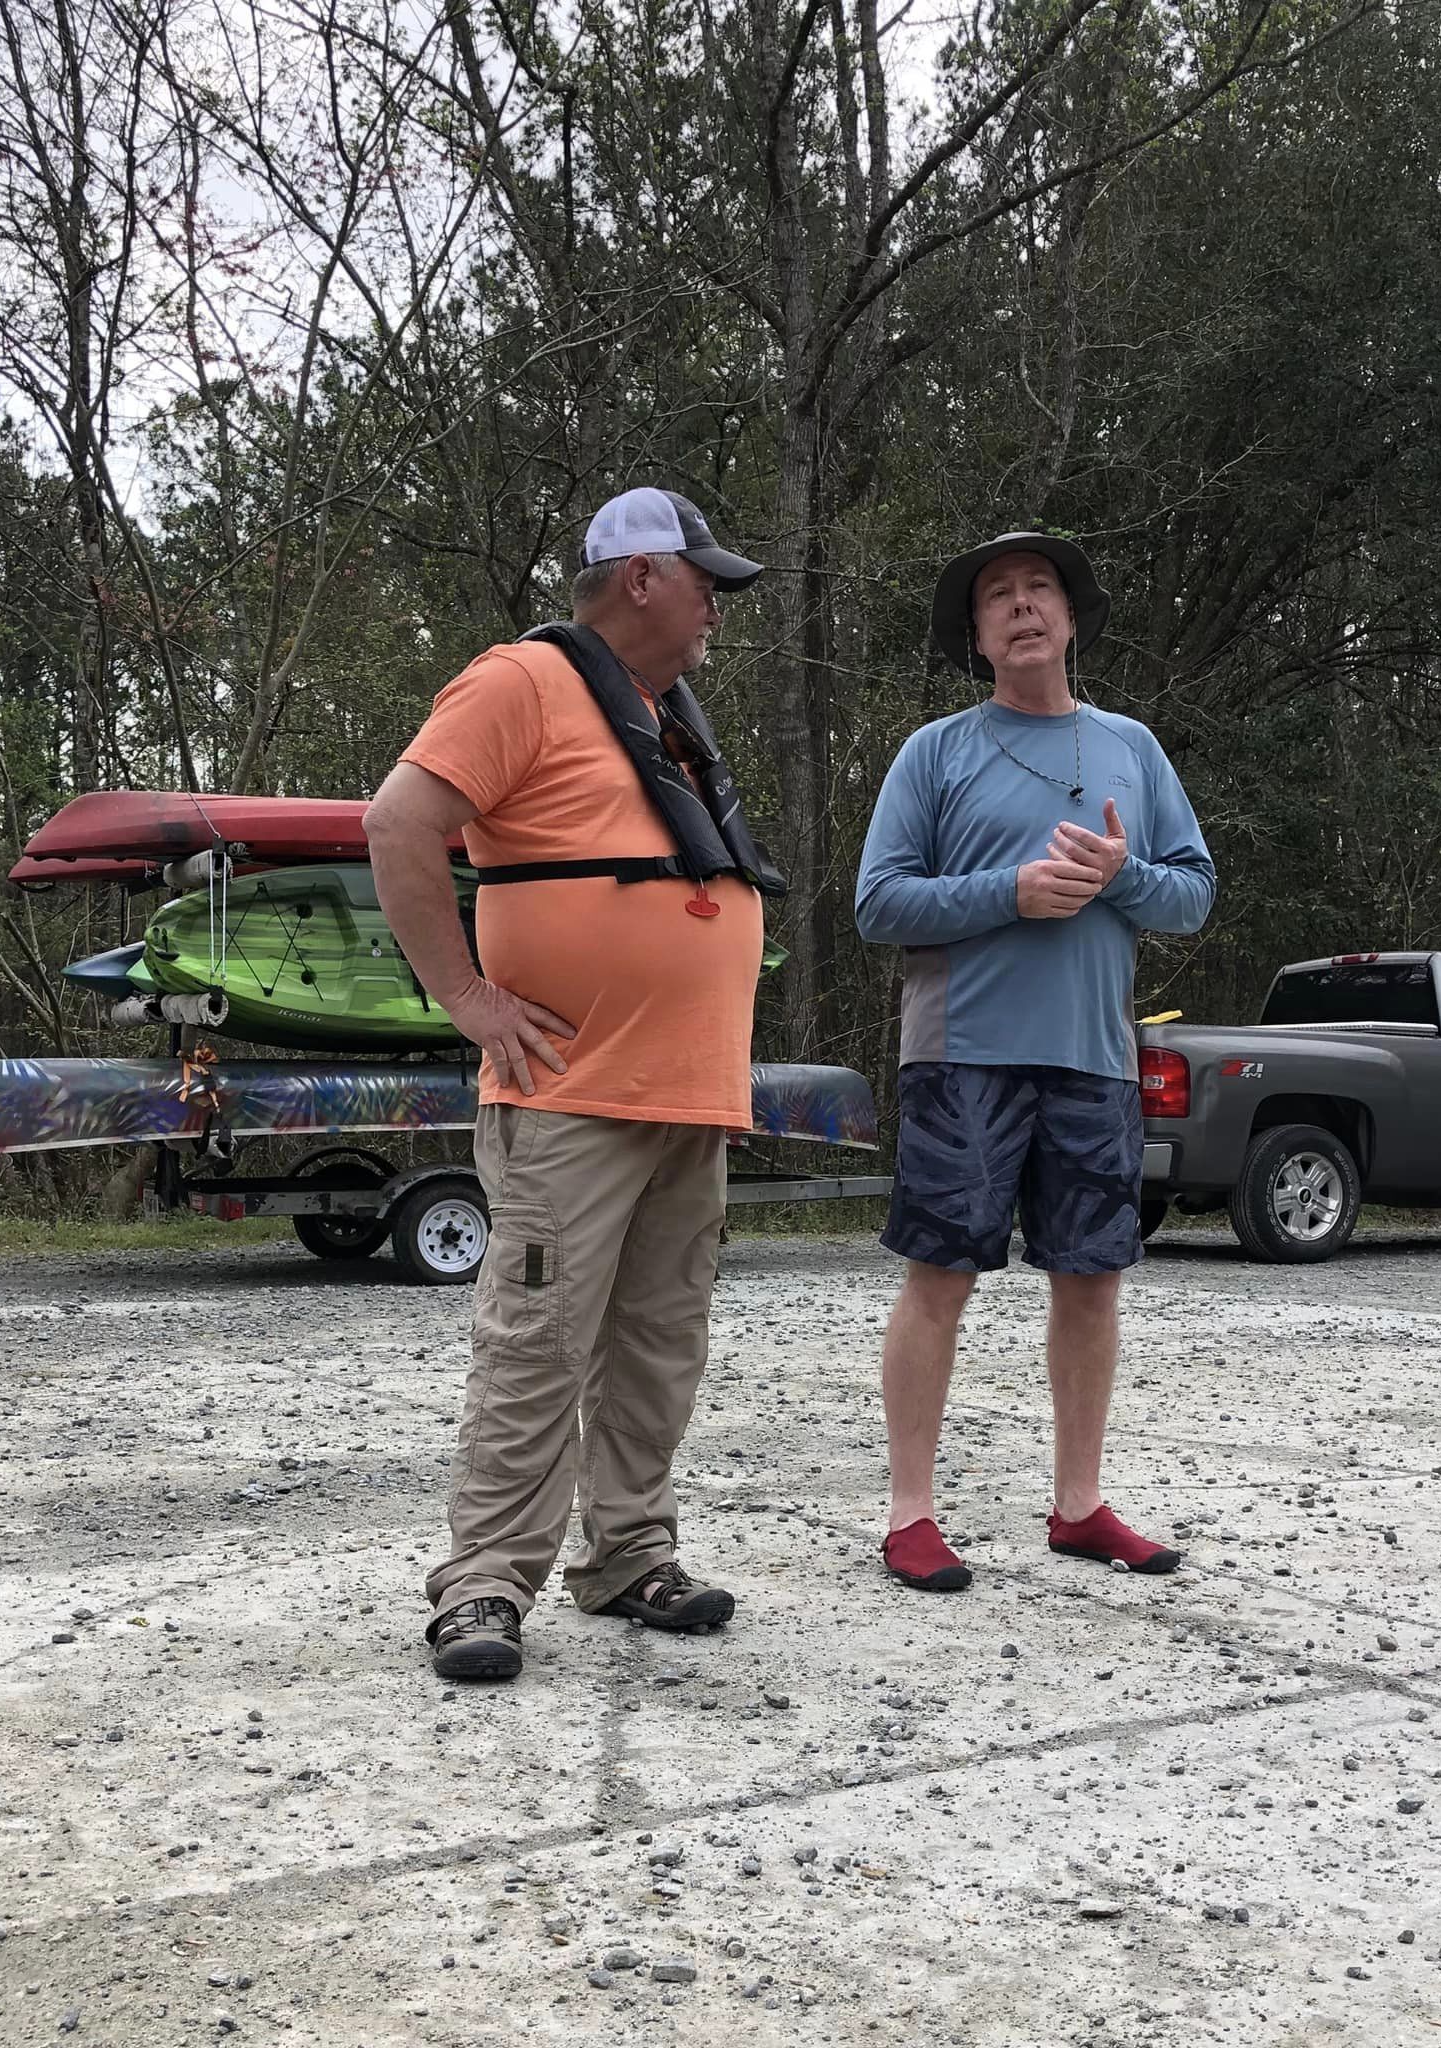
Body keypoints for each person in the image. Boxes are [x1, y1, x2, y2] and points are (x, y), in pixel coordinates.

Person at [366, 487, 784, 1681]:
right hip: (570, 1091)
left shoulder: (662, 718)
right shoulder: (522, 681)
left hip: (687, 1098)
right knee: (537, 1340)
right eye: (705, 578)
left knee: (659, 1343)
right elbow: (400, 823)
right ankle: (487, 1580)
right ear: (641, 575)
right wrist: (469, 998)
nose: (716, 604)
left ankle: (628, 1554)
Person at [855, 530, 1215, 1592]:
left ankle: (1080, 1506)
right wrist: (1005, 892)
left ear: (1070, 615)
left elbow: (1192, 893)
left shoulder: (1132, 747)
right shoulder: (935, 752)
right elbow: (879, 902)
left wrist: (1119, 875)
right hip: (962, 1054)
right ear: (975, 633)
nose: (1021, 605)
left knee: (1092, 1283)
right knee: (940, 1277)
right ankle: (911, 1513)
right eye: (998, 595)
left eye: (1039, 588)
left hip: (1095, 1057)